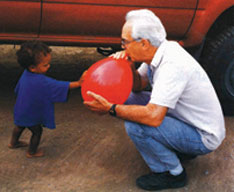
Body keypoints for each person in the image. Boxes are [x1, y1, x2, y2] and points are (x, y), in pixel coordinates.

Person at [84, 9, 225, 191]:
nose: (123, 46)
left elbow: (153, 117)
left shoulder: (172, 65)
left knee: (137, 125)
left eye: (125, 42)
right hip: (186, 120)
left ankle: (171, 173)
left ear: (143, 43)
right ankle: (178, 149)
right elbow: (139, 85)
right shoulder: (160, 51)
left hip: (202, 136)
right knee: (129, 98)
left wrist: (111, 109)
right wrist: (129, 67)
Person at [8, 41, 86, 158]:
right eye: (45, 65)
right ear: (32, 68)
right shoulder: (42, 81)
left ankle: (13, 143)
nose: (48, 66)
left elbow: (17, 89)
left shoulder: (25, 74)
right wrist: (79, 83)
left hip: (20, 109)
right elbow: (60, 85)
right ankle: (32, 152)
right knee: (37, 131)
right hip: (32, 114)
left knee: (19, 126)